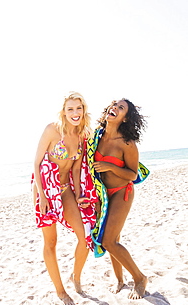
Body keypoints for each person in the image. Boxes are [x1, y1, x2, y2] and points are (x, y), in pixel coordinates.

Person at [32, 92, 95, 304]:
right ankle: (60, 291)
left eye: (79, 108)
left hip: (66, 188)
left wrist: (79, 196)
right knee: (51, 242)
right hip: (45, 190)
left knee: (85, 237)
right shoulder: (52, 130)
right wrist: (41, 196)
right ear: (64, 111)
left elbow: (76, 169)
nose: (75, 113)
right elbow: (36, 163)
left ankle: (76, 277)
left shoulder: (83, 135)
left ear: (83, 110)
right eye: (70, 109)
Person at [91, 98, 148, 299]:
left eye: (121, 107)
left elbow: (132, 174)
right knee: (113, 239)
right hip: (103, 194)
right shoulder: (96, 138)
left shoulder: (127, 143)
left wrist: (110, 167)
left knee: (108, 241)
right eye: (114, 104)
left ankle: (140, 278)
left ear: (125, 118)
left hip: (122, 192)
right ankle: (120, 280)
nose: (114, 107)